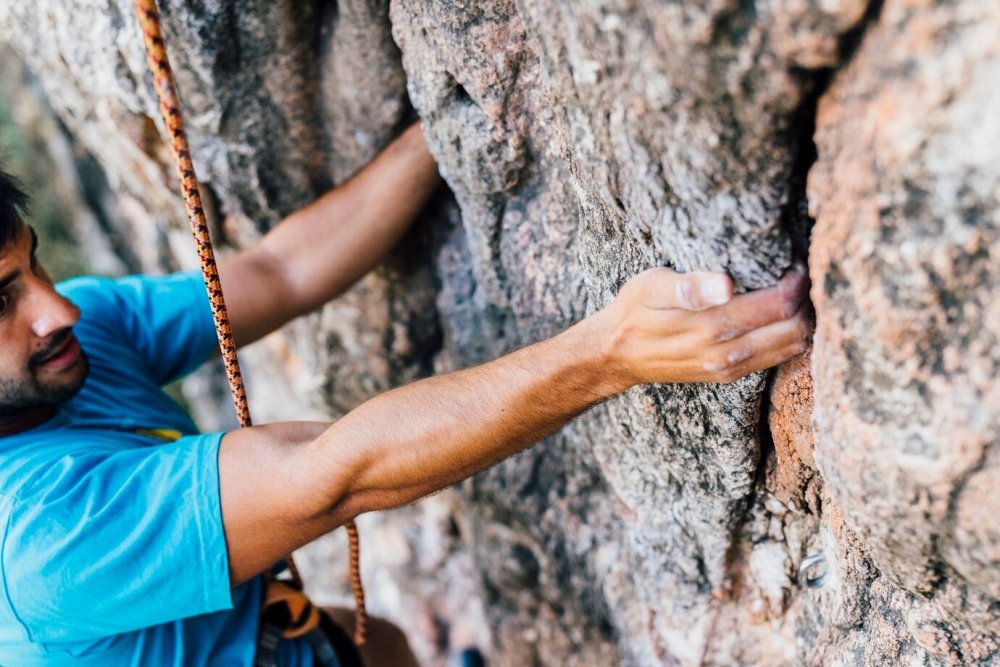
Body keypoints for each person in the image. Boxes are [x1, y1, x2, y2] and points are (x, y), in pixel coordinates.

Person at [0, 121, 810, 666]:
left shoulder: (69, 343)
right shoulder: (41, 544)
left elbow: (281, 271)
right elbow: (332, 471)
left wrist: (441, 128)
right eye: (4, 297)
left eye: (33, 264)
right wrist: (610, 354)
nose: (57, 306)